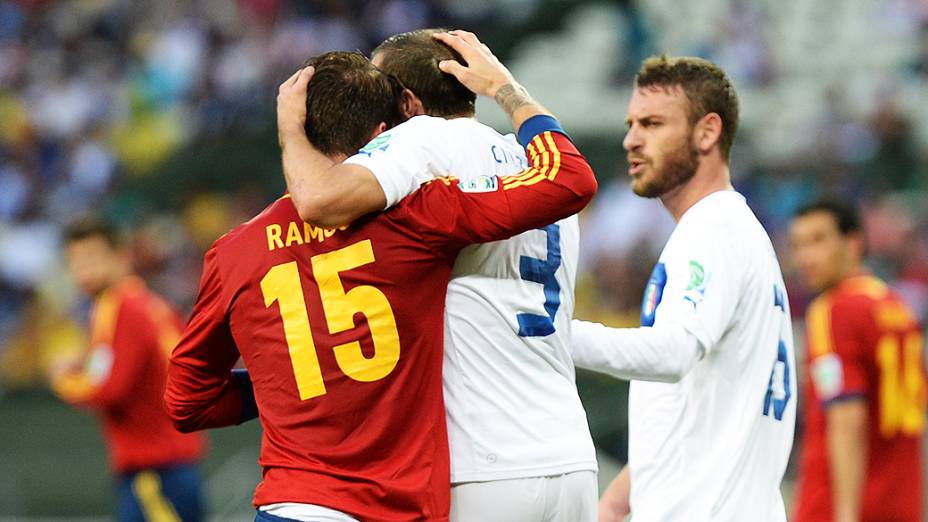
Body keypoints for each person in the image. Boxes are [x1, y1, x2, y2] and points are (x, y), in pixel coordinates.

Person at [164, 48, 596, 522]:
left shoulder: (234, 252)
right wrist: (506, 92)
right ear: (383, 135)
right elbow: (568, 181)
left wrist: (282, 385)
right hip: (427, 496)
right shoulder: (420, 220)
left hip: (295, 501)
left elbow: (187, 401)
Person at [567, 55, 796, 521]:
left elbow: (672, 354)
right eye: (632, 123)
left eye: (652, 123)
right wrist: (618, 500)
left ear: (707, 133)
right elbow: (700, 397)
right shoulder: (731, 230)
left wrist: (550, 334)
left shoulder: (712, 231)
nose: (631, 139)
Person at [51, 216, 206, 522]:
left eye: (92, 258)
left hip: (154, 473)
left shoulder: (119, 306)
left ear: (121, 255)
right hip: (174, 466)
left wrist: (62, 378)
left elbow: (108, 388)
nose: (82, 270)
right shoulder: (151, 303)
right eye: (74, 261)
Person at [790, 199, 925, 522]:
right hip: (902, 503)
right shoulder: (897, 308)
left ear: (853, 243)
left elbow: (846, 418)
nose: (805, 257)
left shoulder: (833, 309)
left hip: (843, 506)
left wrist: (846, 516)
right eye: (798, 245)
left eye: (818, 240)